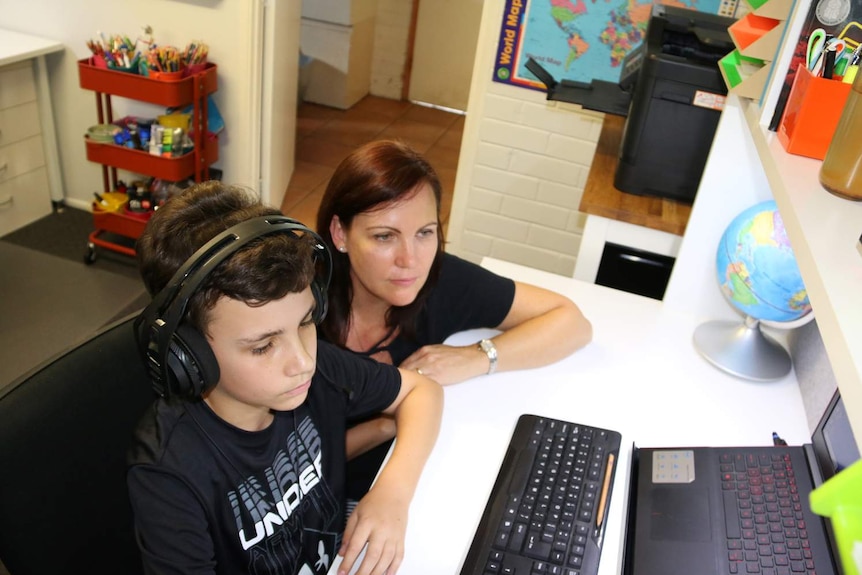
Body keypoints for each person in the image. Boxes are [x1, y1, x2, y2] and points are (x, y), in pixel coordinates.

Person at [128, 181, 443, 575]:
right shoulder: (169, 474)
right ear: (189, 356)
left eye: (307, 321)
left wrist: (392, 494)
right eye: (263, 347)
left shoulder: (317, 365)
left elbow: (422, 391)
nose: (302, 362)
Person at [315, 139, 592, 488]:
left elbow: (572, 322)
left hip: (421, 472)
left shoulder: (437, 278)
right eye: (385, 237)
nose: (410, 259)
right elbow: (295, 461)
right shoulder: (297, 311)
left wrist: (477, 357)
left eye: (425, 233)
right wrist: (397, 413)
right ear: (340, 233)